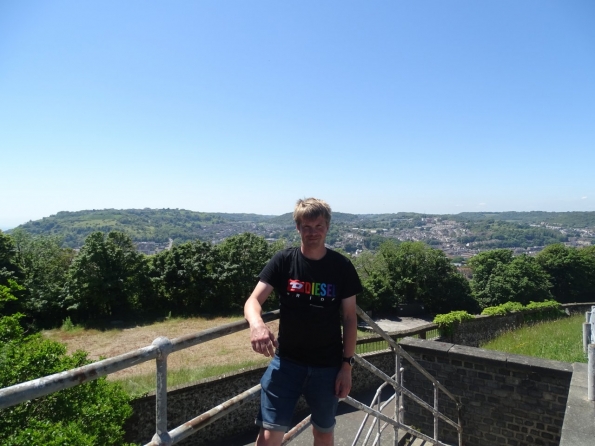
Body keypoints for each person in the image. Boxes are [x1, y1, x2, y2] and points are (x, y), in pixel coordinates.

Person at [244, 198, 363, 446]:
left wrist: (346, 366)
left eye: (318, 226)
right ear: (298, 228)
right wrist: (257, 325)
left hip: (327, 367)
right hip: (287, 363)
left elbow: (350, 318)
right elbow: (253, 300)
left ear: (327, 227)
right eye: (306, 227)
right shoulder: (284, 261)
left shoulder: (341, 266)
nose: (313, 232)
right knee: (268, 437)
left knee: (323, 433)